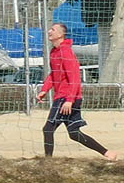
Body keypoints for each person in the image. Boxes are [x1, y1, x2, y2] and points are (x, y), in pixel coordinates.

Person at [36, 22, 118, 160]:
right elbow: (54, 74)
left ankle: (47, 162)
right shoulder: (54, 51)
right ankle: (108, 153)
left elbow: (74, 77)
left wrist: (69, 100)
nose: (49, 31)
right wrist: (44, 89)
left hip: (66, 97)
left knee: (48, 128)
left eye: (53, 29)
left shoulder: (66, 51)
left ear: (61, 34)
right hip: (65, 97)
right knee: (74, 133)